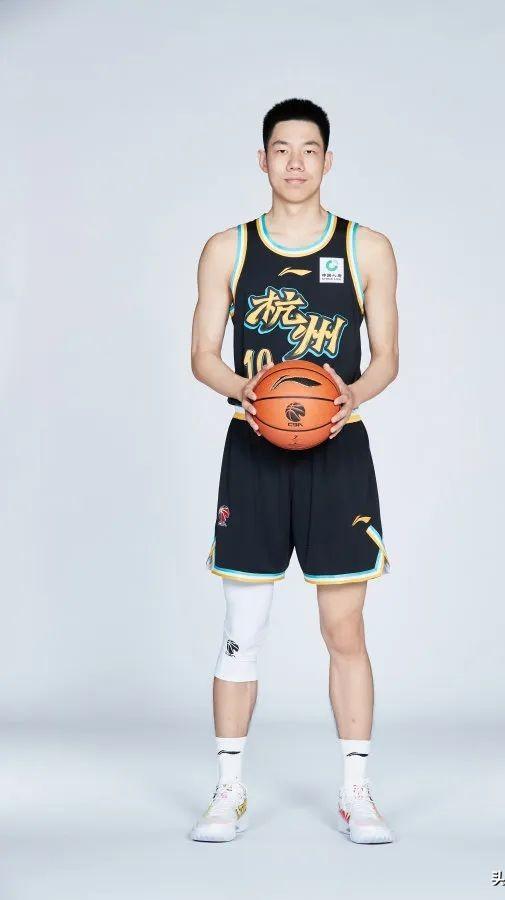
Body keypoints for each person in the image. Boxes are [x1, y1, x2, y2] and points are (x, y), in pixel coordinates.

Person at [189, 98, 399, 844]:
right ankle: (228, 790)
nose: (296, 162)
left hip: (338, 452)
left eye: (309, 150)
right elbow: (202, 355)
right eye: (282, 149)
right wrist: (241, 389)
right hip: (254, 448)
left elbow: (387, 359)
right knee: (242, 628)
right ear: (263, 160)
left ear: (327, 161)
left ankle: (356, 792)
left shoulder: (367, 248)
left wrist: (353, 395)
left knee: (345, 628)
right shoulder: (228, 249)